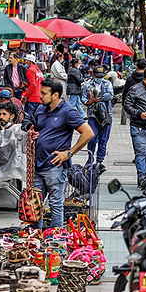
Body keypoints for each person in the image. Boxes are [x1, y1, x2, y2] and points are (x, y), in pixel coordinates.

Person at [25, 80, 94, 228]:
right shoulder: (40, 109)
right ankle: (36, 237)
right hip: (38, 164)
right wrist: (34, 134)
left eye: (44, 93)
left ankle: (56, 238)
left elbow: (88, 133)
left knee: (55, 204)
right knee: (35, 204)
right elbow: (40, 130)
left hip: (55, 166)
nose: (40, 96)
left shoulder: (68, 112)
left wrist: (69, 153)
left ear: (55, 95)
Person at [81, 65, 113, 172]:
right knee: (92, 138)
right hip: (93, 115)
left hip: (105, 115)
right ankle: (90, 158)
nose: (99, 77)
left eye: (101, 76)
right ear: (93, 74)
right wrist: (91, 101)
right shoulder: (87, 85)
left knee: (103, 140)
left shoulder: (107, 83)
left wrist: (98, 98)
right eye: (97, 75)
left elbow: (110, 95)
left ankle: (100, 161)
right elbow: (83, 99)